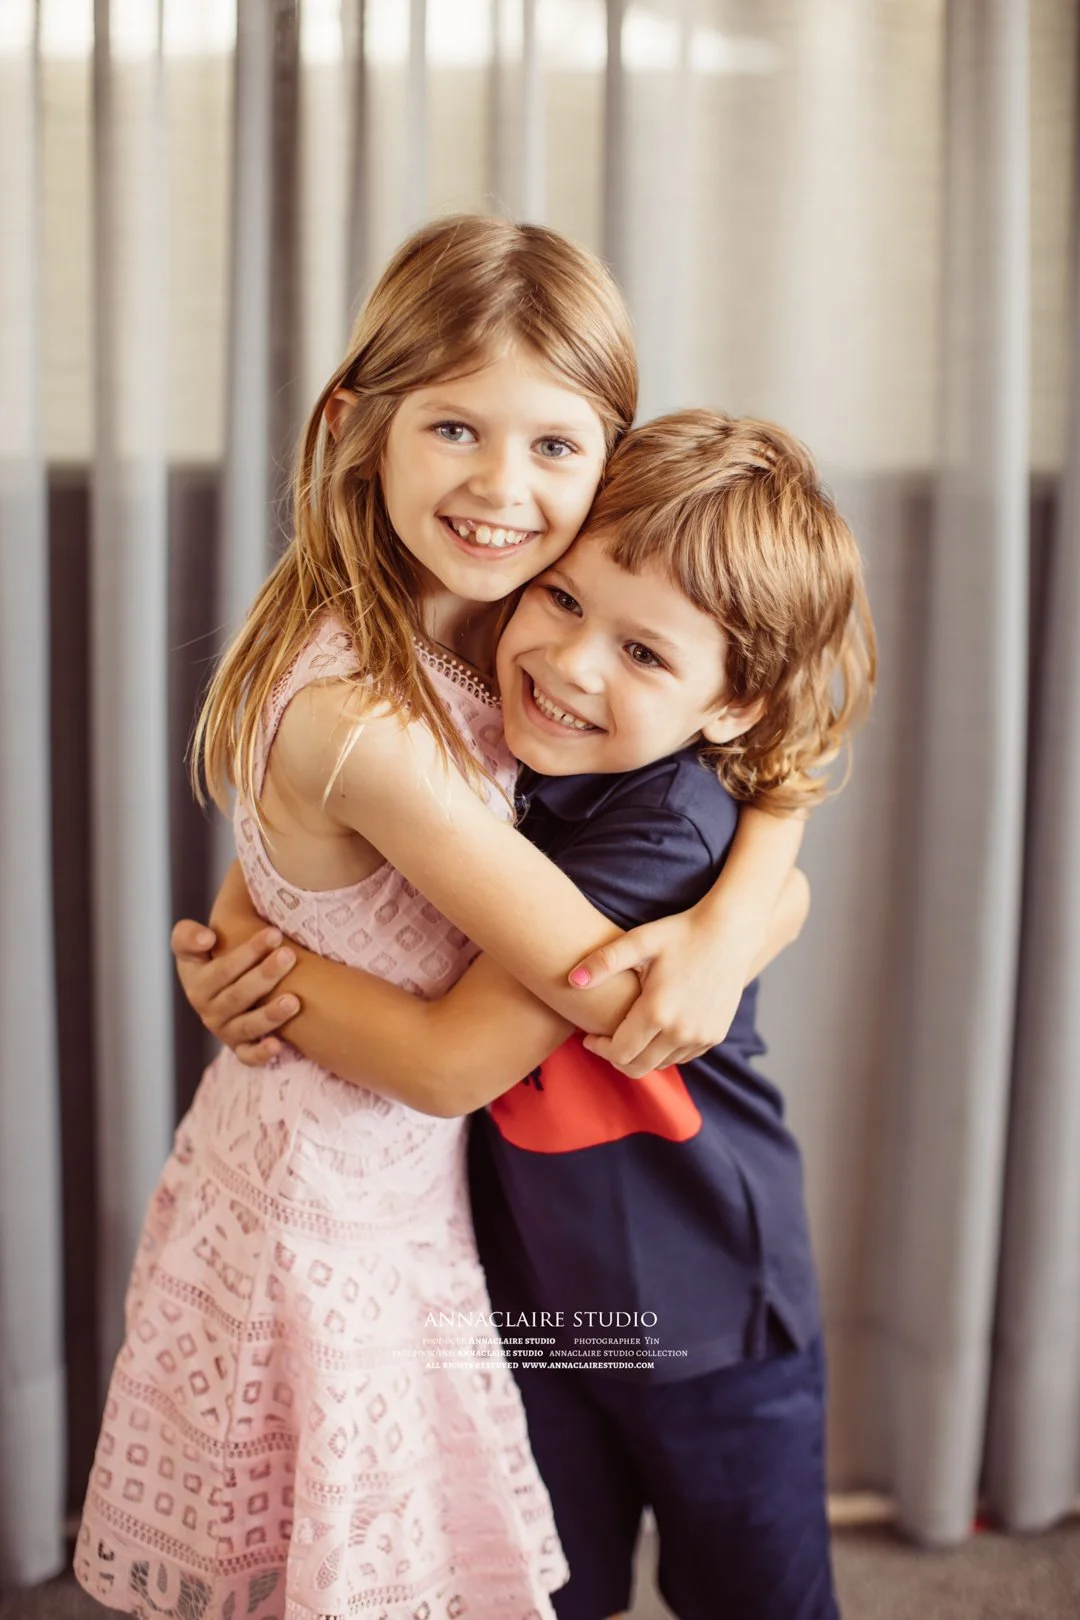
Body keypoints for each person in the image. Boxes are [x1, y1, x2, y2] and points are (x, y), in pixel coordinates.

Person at [76, 215, 805, 1620]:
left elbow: (760, 751)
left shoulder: (505, 628)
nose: (502, 487)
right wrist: (740, 928)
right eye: (455, 430)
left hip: (407, 1188)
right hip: (338, 1197)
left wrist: (745, 900)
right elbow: (544, 1016)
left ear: (611, 461)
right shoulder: (376, 715)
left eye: (552, 445)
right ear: (359, 427)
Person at [174, 410, 876, 1620]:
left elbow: (449, 1059)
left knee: (756, 1597)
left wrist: (250, 958)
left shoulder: (663, 831)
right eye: (557, 599)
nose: (572, 663)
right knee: (547, 1585)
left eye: (644, 654)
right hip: (528, 1287)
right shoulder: (494, 741)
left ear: (730, 704)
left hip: (699, 1305)